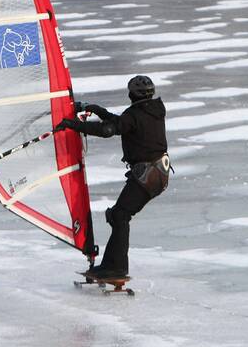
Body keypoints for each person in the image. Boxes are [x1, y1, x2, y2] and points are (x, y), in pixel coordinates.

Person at [61, 75, 170, 279]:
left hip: (148, 175)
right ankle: (110, 266)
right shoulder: (153, 111)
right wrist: (99, 110)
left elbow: (108, 129)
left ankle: (116, 268)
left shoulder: (136, 114)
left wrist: (73, 125)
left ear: (131, 94)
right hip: (157, 174)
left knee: (119, 216)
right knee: (119, 216)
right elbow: (121, 123)